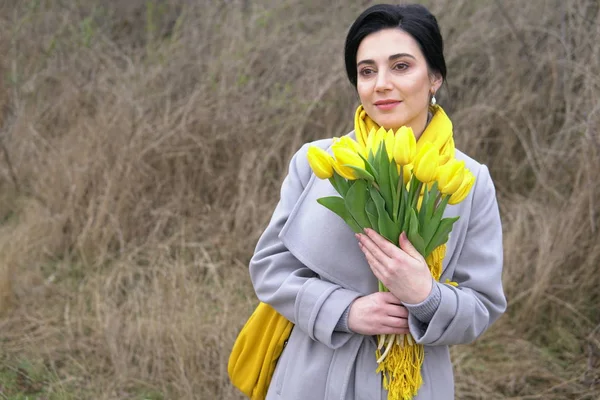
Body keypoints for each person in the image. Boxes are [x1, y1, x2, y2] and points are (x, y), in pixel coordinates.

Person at [249, 3, 506, 399]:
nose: (380, 84)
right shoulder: (320, 163)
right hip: (313, 377)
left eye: (401, 66)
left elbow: (482, 306)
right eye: (367, 71)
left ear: (435, 76)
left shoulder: (469, 180)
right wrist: (344, 310)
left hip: (415, 384)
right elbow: (269, 269)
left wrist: (426, 295)